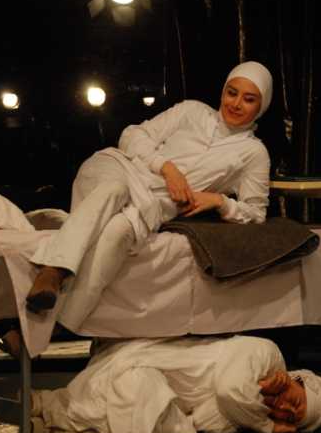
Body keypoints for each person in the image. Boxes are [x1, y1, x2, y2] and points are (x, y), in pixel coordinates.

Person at [26, 61, 273, 330]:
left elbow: (256, 212)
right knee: (114, 189)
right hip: (117, 169)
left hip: (149, 206)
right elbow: (132, 135)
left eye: (249, 99)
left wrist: (220, 201)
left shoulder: (254, 153)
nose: (236, 103)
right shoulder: (191, 111)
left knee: (117, 232)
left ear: (262, 106)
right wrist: (166, 168)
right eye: (231, 93)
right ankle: (54, 271)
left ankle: (43, 329)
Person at [26, 335, 321, 433]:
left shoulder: (250, 410)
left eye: (290, 417)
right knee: (134, 394)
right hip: (150, 364)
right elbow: (229, 392)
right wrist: (266, 426)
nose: (284, 409)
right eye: (295, 402)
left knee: (146, 419)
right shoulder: (266, 352)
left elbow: (203, 420)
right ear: (298, 380)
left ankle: (47, 424)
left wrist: (255, 401)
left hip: (169, 398)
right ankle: (43, 405)